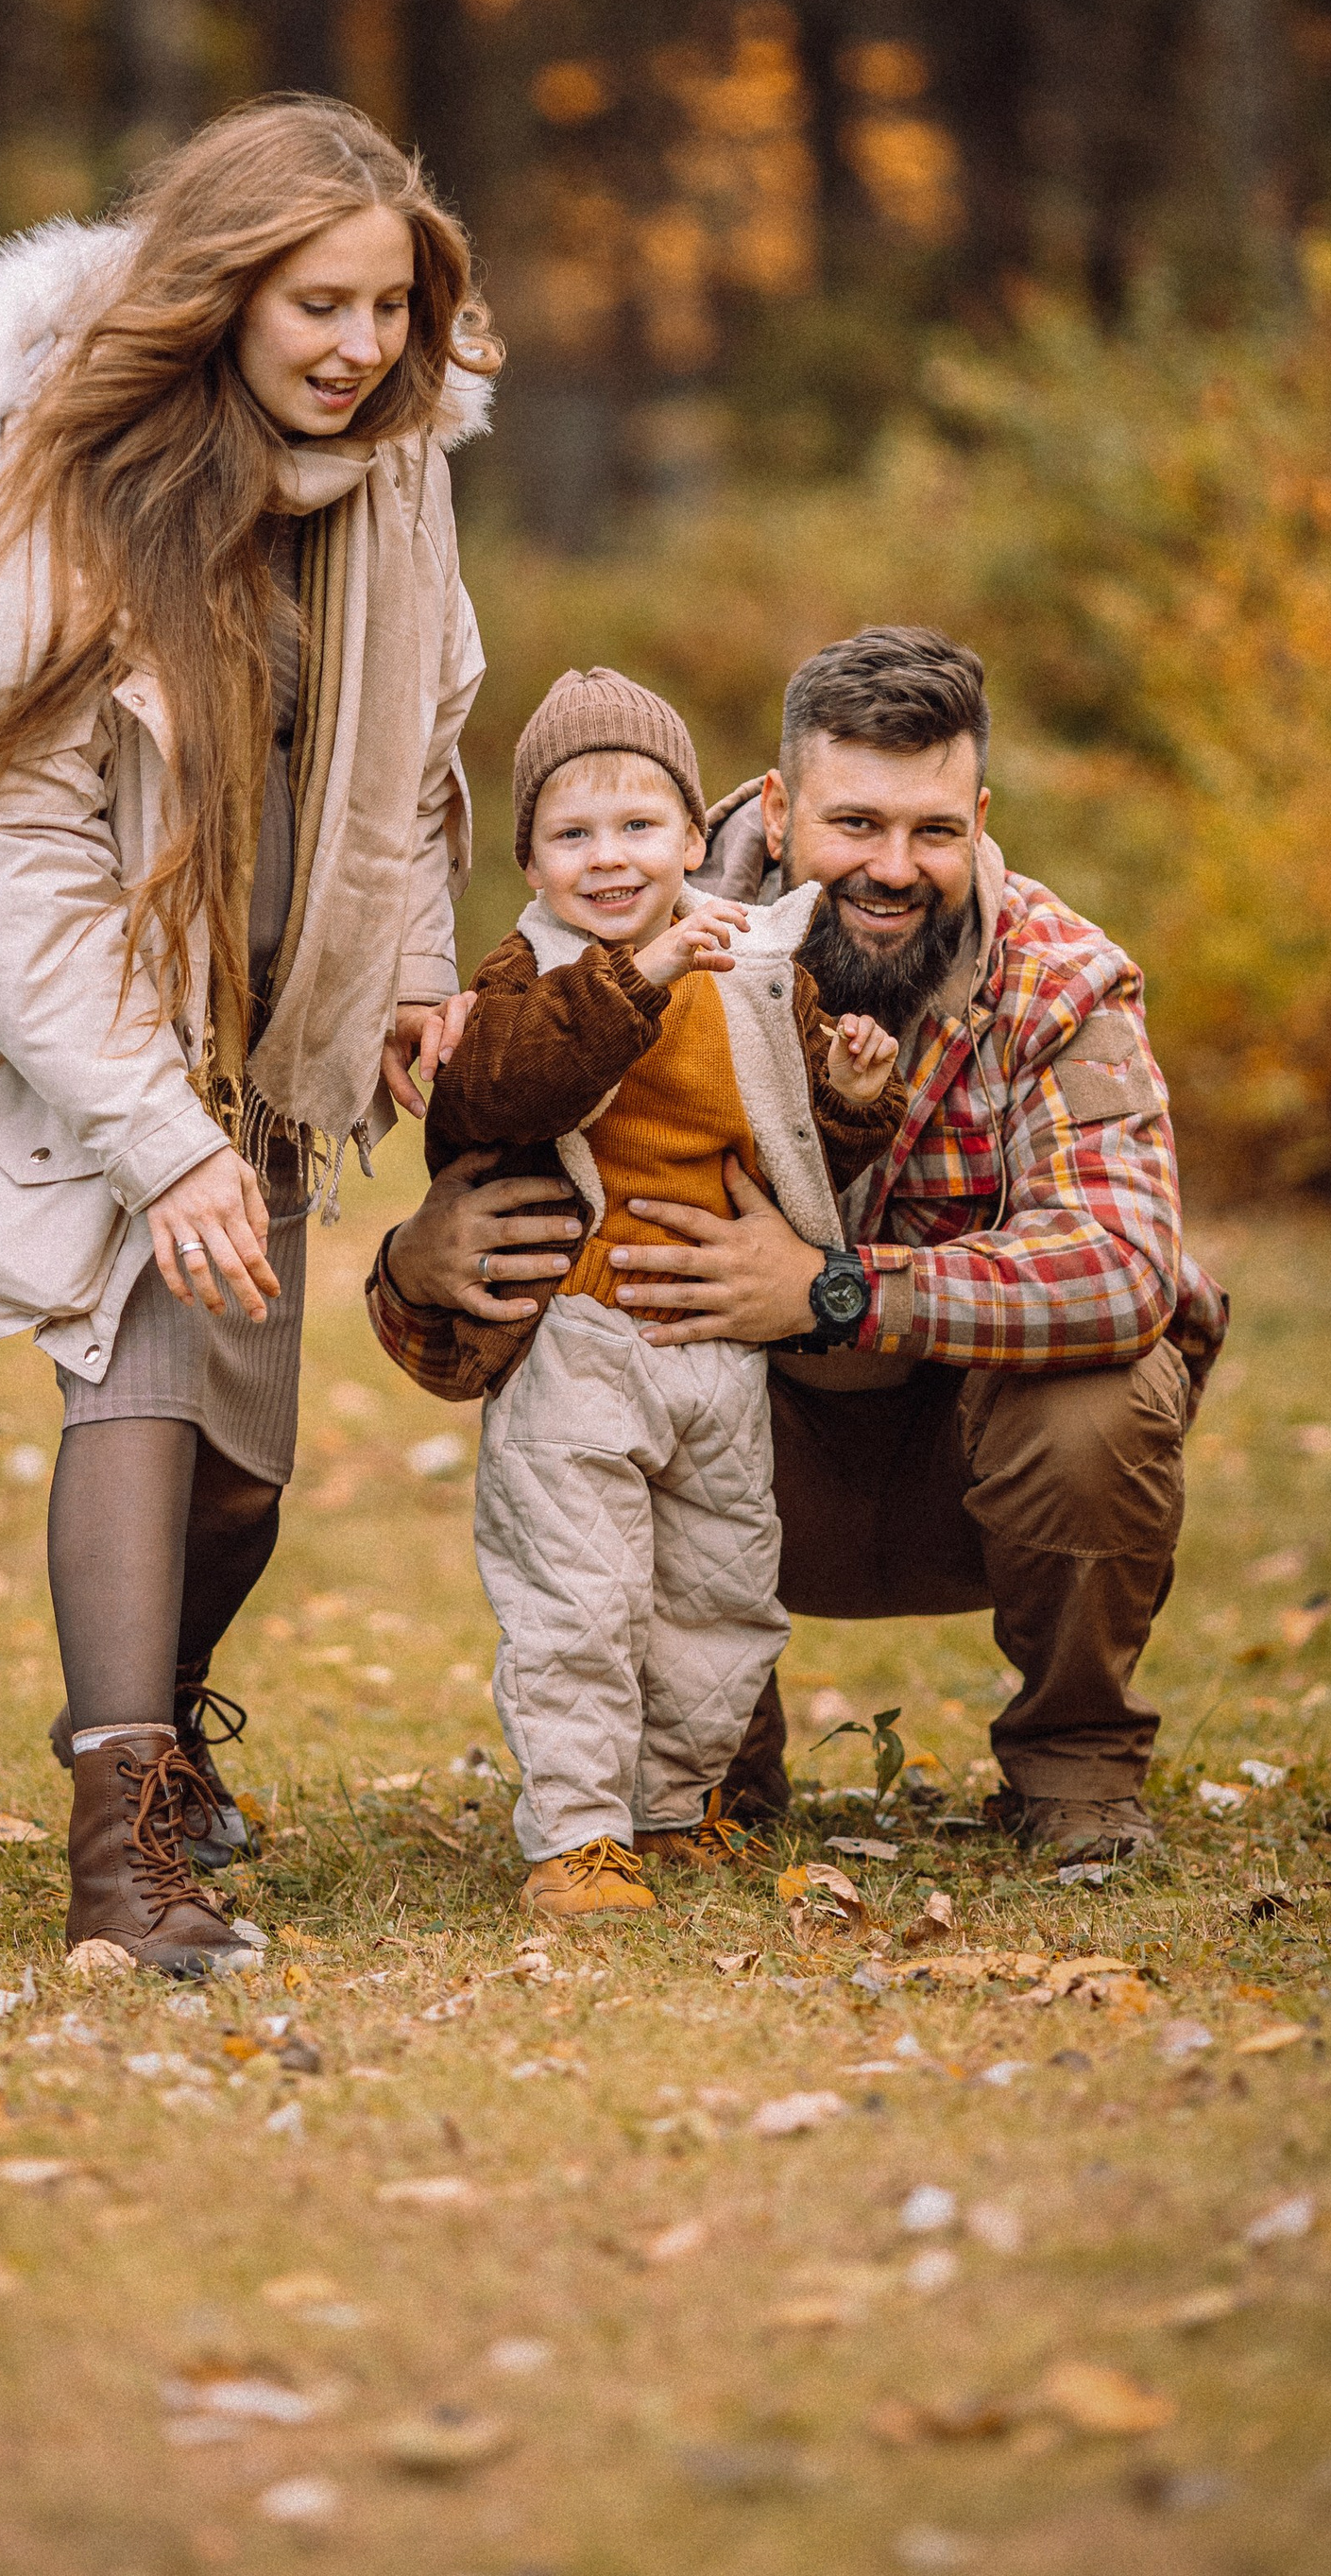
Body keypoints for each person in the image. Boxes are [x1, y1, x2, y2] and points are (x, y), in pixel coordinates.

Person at [0, 98, 493, 1972]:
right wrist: (153, 1133)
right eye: (314, 306)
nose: (355, 347)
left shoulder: (397, 461)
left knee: (243, 1474)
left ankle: (170, 1732)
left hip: (263, 1023)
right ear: (216, 295)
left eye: (383, 308)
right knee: (137, 1379)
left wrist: (409, 956)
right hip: (72, 1010)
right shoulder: (57, 495)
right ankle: (121, 1860)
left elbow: (412, 738)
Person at [371, 627, 1228, 1866]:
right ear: (776, 811)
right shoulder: (601, 959)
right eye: (855, 825)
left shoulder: (1059, 984)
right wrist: (414, 1268)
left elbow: (1123, 1267)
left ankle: (1076, 1770)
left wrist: (828, 1291)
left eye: (934, 830)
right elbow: (479, 1318)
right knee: (595, 1375)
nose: (894, 867)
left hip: (966, 1462)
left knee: (1107, 1392)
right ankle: (705, 1777)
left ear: (981, 818)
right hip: (728, 1445)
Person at [422, 671, 904, 1920]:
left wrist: (852, 1091)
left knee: (721, 1591)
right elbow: (503, 1096)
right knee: (580, 1595)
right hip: (577, 1340)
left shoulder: (756, 965)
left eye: (640, 827)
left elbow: (799, 1154)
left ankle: (673, 1808)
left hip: (713, 1347)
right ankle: (578, 1836)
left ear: (698, 837)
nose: (610, 858)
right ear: (529, 861)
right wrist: (638, 973)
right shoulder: (523, 978)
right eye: (572, 835)